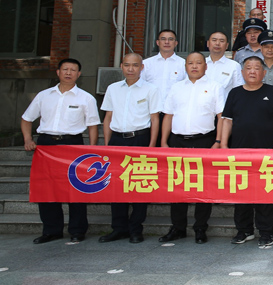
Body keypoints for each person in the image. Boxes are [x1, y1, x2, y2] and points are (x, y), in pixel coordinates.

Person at [22, 58, 100, 244]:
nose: (68, 73)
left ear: (78, 74)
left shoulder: (86, 98)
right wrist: (28, 139)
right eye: (65, 69)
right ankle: (51, 230)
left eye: (73, 70)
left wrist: (91, 149)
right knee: (47, 189)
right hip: (46, 145)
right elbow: (26, 119)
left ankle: (77, 230)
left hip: (72, 145)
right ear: (58, 72)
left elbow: (92, 126)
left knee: (75, 189)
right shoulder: (44, 95)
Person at [219, 56, 273, 248]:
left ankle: (267, 231)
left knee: (266, 192)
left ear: (263, 73)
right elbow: (227, 120)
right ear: (242, 72)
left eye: (257, 68)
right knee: (241, 192)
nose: (252, 71)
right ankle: (244, 230)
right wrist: (223, 145)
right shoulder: (235, 93)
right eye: (248, 67)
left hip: (266, 152)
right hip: (239, 152)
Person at [159, 52, 225, 245]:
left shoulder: (215, 87)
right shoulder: (176, 87)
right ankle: (177, 227)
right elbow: (168, 115)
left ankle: (200, 227)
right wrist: (164, 142)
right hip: (178, 141)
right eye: (190, 63)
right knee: (177, 186)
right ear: (185, 66)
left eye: (198, 63)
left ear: (206, 66)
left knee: (203, 186)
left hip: (204, 141)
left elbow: (221, 116)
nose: (194, 66)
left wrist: (218, 141)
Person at [98, 53, 160, 244]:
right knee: (117, 186)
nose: (131, 69)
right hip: (117, 140)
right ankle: (119, 228)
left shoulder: (151, 89)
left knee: (139, 185)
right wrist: (107, 144)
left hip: (140, 139)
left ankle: (135, 228)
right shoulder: (113, 88)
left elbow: (155, 119)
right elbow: (108, 117)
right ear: (121, 66)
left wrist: (151, 145)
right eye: (127, 65)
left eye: (135, 65)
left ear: (142, 67)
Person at [142, 29, 186, 108]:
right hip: (151, 109)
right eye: (163, 39)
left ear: (176, 43)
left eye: (170, 39)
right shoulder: (146, 64)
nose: (167, 42)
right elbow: (141, 86)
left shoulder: (183, 64)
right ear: (157, 42)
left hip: (175, 109)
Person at [205, 31, 244, 101]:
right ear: (208, 43)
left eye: (221, 41)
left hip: (224, 106)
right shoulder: (201, 64)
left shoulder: (234, 66)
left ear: (227, 45)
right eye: (214, 40)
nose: (217, 43)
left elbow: (239, 91)